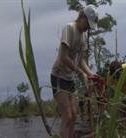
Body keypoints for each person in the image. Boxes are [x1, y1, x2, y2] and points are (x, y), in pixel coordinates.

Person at [50, 5, 98, 138]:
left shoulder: (84, 35)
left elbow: (81, 61)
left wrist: (91, 74)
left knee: (75, 115)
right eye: (88, 23)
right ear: (82, 17)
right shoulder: (69, 29)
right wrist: (80, 73)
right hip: (58, 76)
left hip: (70, 78)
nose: (88, 27)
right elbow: (63, 57)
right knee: (68, 114)